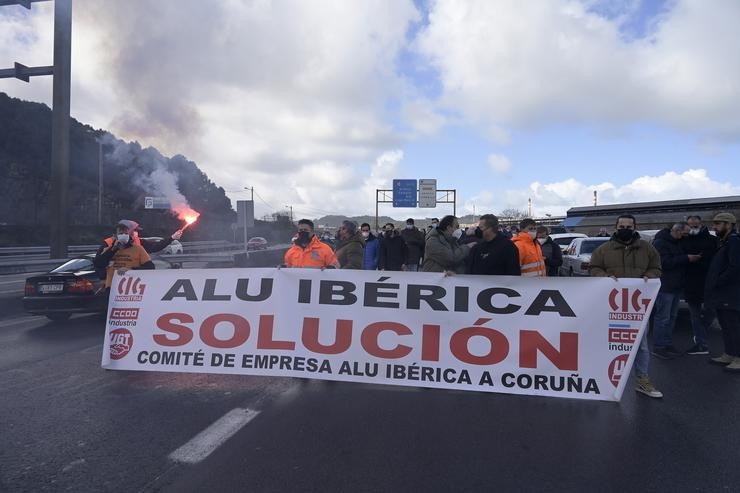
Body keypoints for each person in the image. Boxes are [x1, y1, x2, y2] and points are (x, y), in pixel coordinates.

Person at [590, 214, 663, 398]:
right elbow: (594, 268)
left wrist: (650, 275)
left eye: (628, 226)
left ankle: (642, 380)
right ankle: (602, 380)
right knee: (607, 343)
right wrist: (603, 276)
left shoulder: (647, 249)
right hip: (610, 306)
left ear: (634, 227)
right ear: (616, 227)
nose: (625, 229)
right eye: (621, 226)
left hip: (637, 307)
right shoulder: (603, 249)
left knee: (642, 345)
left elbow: (657, 268)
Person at [651, 222, 701, 359]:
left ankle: (667, 344)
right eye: (685, 233)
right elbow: (663, 263)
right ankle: (659, 347)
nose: (686, 236)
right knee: (662, 318)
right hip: (665, 286)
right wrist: (686, 258)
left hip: (675, 286)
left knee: (671, 317)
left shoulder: (677, 242)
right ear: (677, 231)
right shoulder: (660, 243)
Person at [705, 212, 740, 371]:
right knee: (725, 325)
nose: (714, 227)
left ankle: (738, 358)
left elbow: (735, 267)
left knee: (733, 326)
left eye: (718, 224)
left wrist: (718, 281)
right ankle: (729, 353)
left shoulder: (734, 242)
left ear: (729, 225)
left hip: (730, 293)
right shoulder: (725, 242)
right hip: (722, 293)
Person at [680, 215, 719, 355]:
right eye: (690, 226)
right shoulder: (684, 240)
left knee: (712, 311)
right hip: (690, 282)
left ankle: (701, 332)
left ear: (701, 224)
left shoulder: (713, 240)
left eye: (695, 226)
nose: (693, 228)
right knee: (694, 315)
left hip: (709, 282)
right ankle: (701, 343)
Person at [93, 220, 155, 289]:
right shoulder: (108, 249)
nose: (124, 235)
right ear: (115, 236)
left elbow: (150, 267)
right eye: (121, 233)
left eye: (126, 234)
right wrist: (113, 250)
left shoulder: (138, 249)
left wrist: (131, 270)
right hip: (111, 288)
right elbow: (98, 264)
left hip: (131, 288)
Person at [103, 219, 183, 254]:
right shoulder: (108, 243)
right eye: (135, 230)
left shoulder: (139, 242)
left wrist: (172, 238)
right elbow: (99, 263)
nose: (136, 233)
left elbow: (156, 246)